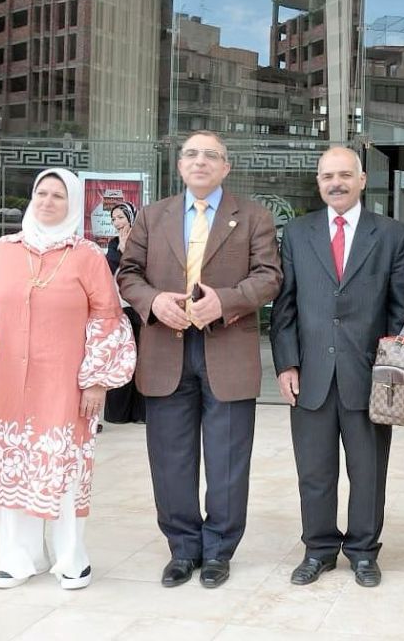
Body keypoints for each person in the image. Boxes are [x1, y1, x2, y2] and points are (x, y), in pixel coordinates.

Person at [0, 168, 136, 590]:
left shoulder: (87, 256)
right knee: (10, 465)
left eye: (58, 196)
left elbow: (106, 319)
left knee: (62, 469)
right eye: (42, 193)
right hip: (4, 383)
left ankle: (71, 558)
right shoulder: (3, 251)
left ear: (72, 204)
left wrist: (97, 379)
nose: (47, 201)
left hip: (64, 384)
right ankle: (18, 557)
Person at [117, 131, 282, 589]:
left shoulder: (253, 216)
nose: (200, 161)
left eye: (211, 155)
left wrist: (224, 302)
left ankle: (218, 551)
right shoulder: (152, 217)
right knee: (171, 459)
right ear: (180, 165)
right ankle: (183, 549)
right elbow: (128, 274)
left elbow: (269, 277)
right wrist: (153, 302)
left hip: (227, 350)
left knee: (228, 460)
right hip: (165, 351)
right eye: (191, 154)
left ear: (226, 167)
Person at [269, 147, 404, 588]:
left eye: (345, 175)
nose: (336, 183)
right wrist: (286, 364)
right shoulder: (297, 233)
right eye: (328, 176)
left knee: (368, 472)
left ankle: (364, 552)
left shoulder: (391, 235)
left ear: (362, 180)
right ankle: (318, 549)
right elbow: (285, 306)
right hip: (310, 375)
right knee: (315, 472)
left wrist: (390, 371)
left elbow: (400, 309)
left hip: (369, 376)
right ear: (318, 182)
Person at [104, 202, 145, 425]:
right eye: (114, 219)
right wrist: (120, 249)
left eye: (120, 217)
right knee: (121, 358)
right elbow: (107, 270)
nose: (117, 222)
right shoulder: (114, 243)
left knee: (142, 358)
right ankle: (118, 413)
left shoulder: (144, 241)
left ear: (131, 217)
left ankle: (140, 413)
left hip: (140, 307)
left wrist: (129, 248)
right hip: (119, 308)